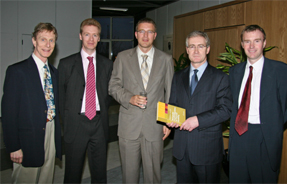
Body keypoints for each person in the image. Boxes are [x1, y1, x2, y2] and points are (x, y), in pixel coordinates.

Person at [228, 25, 287, 183]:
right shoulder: (234, 72)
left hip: (265, 137)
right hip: (238, 136)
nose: (251, 46)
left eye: (256, 41)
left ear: (264, 43)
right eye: (247, 41)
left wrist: (272, 125)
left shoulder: (281, 71)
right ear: (242, 44)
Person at [108, 17, 174, 183]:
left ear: (155, 35)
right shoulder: (122, 58)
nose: (146, 35)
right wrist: (129, 98)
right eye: (142, 31)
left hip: (155, 126)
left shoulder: (166, 60)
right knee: (129, 176)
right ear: (136, 34)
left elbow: (170, 93)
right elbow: (113, 87)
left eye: (150, 31)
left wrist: (168, 121)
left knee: (153, 175)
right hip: (129, 128)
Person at [167, 31, 232, 183]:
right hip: (182, 148)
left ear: (208, 49)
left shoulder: (220, 77)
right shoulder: (178, 76)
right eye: (192, 46)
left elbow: (225, 110)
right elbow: (173, 103)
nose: (196, 51)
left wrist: (198, 120)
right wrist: (170, 118)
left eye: (200, 46)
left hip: (207, 149)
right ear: (187, 49)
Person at [1, 22, 61, 183]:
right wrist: (13, 146)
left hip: (50, 131)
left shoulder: (54, 73)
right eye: (43, 40)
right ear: (34, 41)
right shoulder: (17, 71)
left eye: (51, 40)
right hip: (28, 137)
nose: (47, 45)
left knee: (46, 178)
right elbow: (8, 114)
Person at [58, 18, 113, 183]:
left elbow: (109, 95)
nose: (91, 39)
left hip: (99, 124)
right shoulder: (66, 64)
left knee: (99, 173)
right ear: (80, 36)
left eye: (95, 35)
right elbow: (61, 97)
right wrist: (67, 123)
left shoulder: (107, 65)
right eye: (87, 34)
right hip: (76, 125)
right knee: (72, 174)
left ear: (99, 38)